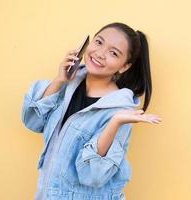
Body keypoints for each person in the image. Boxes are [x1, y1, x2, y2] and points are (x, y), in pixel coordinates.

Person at [21, 22, 162, 200]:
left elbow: (93, 176)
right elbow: (32, 121)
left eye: (113, 53)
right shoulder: (69, 85)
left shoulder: (120, 111)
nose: (100, 54)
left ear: (124, 66)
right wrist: (59, 80)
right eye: (99, 42)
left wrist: (114, 122)